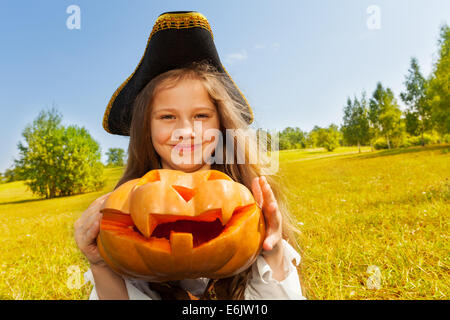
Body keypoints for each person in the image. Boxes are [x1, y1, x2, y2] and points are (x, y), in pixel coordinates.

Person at [74, 11, 306, 300]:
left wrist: (271, 252)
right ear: (146, 128)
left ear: (221, 123)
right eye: (168, 116)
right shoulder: (125, 213)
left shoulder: (249, 202)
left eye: (200, 115)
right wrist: (101, 264)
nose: (186, 131)